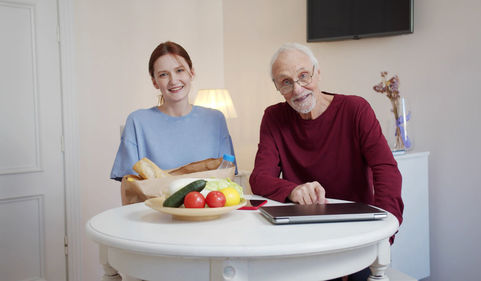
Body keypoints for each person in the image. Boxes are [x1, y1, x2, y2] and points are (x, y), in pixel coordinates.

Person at [249, 43, 403, 281]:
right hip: (302, 237)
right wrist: (293, 190)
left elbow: (386, 170)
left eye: (303, 76)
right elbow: (259, 179)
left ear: (317, 72)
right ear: (277, 87)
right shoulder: (273, 117)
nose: (298, 89)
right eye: (286, 82)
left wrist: (384, 233)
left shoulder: (356, 109)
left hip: (356, 234)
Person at [111, 41, 236, 182]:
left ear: (191, 73)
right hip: (153, 204)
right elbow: (130, 184)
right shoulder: (137, 122)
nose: (173, 80)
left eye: (179, 70)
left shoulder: (216, 119)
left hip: (209, 203)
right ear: (154, 82)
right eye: (164, 74)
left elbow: (228, 176)